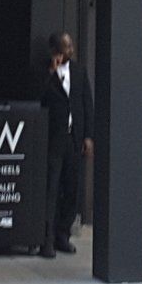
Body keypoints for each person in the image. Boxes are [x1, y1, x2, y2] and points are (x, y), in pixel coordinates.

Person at [38, 31, 92, 258]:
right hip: (54, 138)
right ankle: (46, 240)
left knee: (72, 188)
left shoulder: (79, 72)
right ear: (55, 51)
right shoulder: (45, 73)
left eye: (70, 47)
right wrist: (51, 73)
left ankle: (63, 235)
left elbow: (86, 104)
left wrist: (88, 136)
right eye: (65, 48)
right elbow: (37, 98)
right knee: (51, 189)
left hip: (74, 138)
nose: (70, 51)